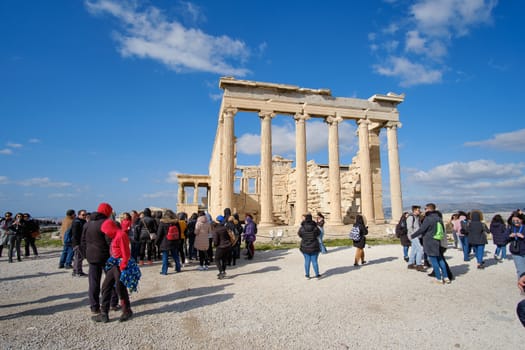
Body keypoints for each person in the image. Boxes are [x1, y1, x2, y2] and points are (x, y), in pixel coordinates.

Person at [93, 218, 133, 323]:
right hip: (114, 265)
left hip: (120, 266)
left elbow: (126, 252)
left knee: (120, 288)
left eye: (106, 231)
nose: (106, 233)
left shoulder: (121, 235)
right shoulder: (115, 235)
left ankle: (126, 310)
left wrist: (123, 266)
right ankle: (104, 313)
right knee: (106, 286)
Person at [81, 202, 118, 315]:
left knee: (93, 282)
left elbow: (82, 242)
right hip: (106, 256)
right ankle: (112, 303)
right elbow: (110, 242)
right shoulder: (106, 223)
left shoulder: (87, 224)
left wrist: (86, 255)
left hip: (92, 257)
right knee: (110, 281)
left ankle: (94, 306)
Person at [411, 203, 450, 284]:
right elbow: (442, 229)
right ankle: (446, 277)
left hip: (429, 242)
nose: (424, 211)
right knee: (440, 259)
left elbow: (422, 229)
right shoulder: (439, 218)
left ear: (428, 209)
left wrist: (413, 235)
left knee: (434, 261)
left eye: (425, 209)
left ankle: (439, 279)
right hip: (437, 240)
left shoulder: (428, 218)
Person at [156, 209, 182, 275]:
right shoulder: (176, 222)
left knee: (165, 257)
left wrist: (156, 242)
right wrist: (178, 240)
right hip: (174, 241)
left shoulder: (162, 223)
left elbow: (159, 234)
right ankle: (178, 268)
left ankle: (164, 271)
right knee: (175, 255)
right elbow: (179, 232)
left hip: (165, 242)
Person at [298, 213, 321, 279]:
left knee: (307, 261)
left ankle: (307, 275)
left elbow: (300, 234)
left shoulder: (302, 228)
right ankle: (317, 275)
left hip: (305, 245)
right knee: (314, 261)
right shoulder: (315, 227)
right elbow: (319, 234)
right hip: (314, 245)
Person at [406, 205, 425, 272]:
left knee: (414, 250)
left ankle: (410, 264)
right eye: (418, 210)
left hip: (417, 235)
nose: (419, 211)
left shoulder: (416, 217)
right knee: (420, 249)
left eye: (419, 210)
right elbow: (409, 227)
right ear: (414, 210)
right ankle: (419, 265)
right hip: (413, 236)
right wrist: (413, 235)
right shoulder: (411, 217)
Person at [71, 209, 88, 277]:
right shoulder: (76, 222)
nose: (84, 216)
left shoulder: (82, 221)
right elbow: (75, 234)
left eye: (85, 215)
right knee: (79, 257)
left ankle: (76, 271)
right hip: (78, 243)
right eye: (83, 215)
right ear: (79, 215)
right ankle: (78, 272)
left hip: (80, 242)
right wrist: (78, 243)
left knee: (78, 257)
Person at [508, 214, 525, 279]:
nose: (515, 222)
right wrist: (509, 236)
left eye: (517, 220)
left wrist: (523, 237)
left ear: (521, 220)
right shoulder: (511, 228)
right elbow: (504, 239)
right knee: (521, 271)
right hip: (516, 252)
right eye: (513, 221)